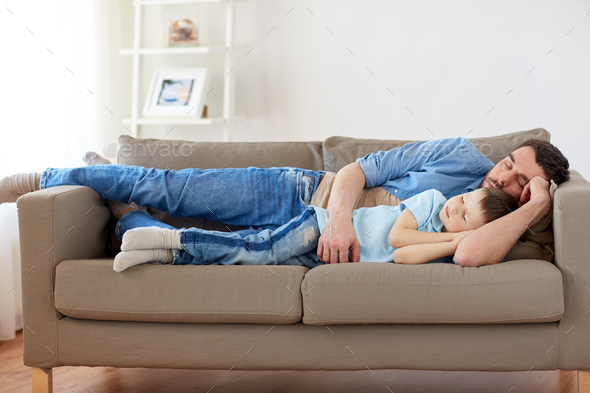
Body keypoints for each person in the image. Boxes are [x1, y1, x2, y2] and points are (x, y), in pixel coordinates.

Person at [0, 137, 569, 266]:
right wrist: (341, 220)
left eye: (519, 179)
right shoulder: (459, 156)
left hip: (316, 242)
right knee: (170, 188)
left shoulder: (509, 222)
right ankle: (41, 175)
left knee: (186, 234)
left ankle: (126, 213)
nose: (502, 177)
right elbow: (354, 169)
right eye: (507, 162)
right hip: (305, 193)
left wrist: (535, 205)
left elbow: (473, 253)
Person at [111, 187, 517, 272]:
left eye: (465, 217)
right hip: (321, 227)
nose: (455, 208)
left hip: (324, 260)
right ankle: (174, 238)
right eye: (464, 199)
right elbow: (397, 238)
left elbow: (404, 256)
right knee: (257, 249)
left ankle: (153, 241)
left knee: (242, 254)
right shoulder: (431, 199)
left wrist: (457, 242)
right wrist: (454, 235)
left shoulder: (444, 247)